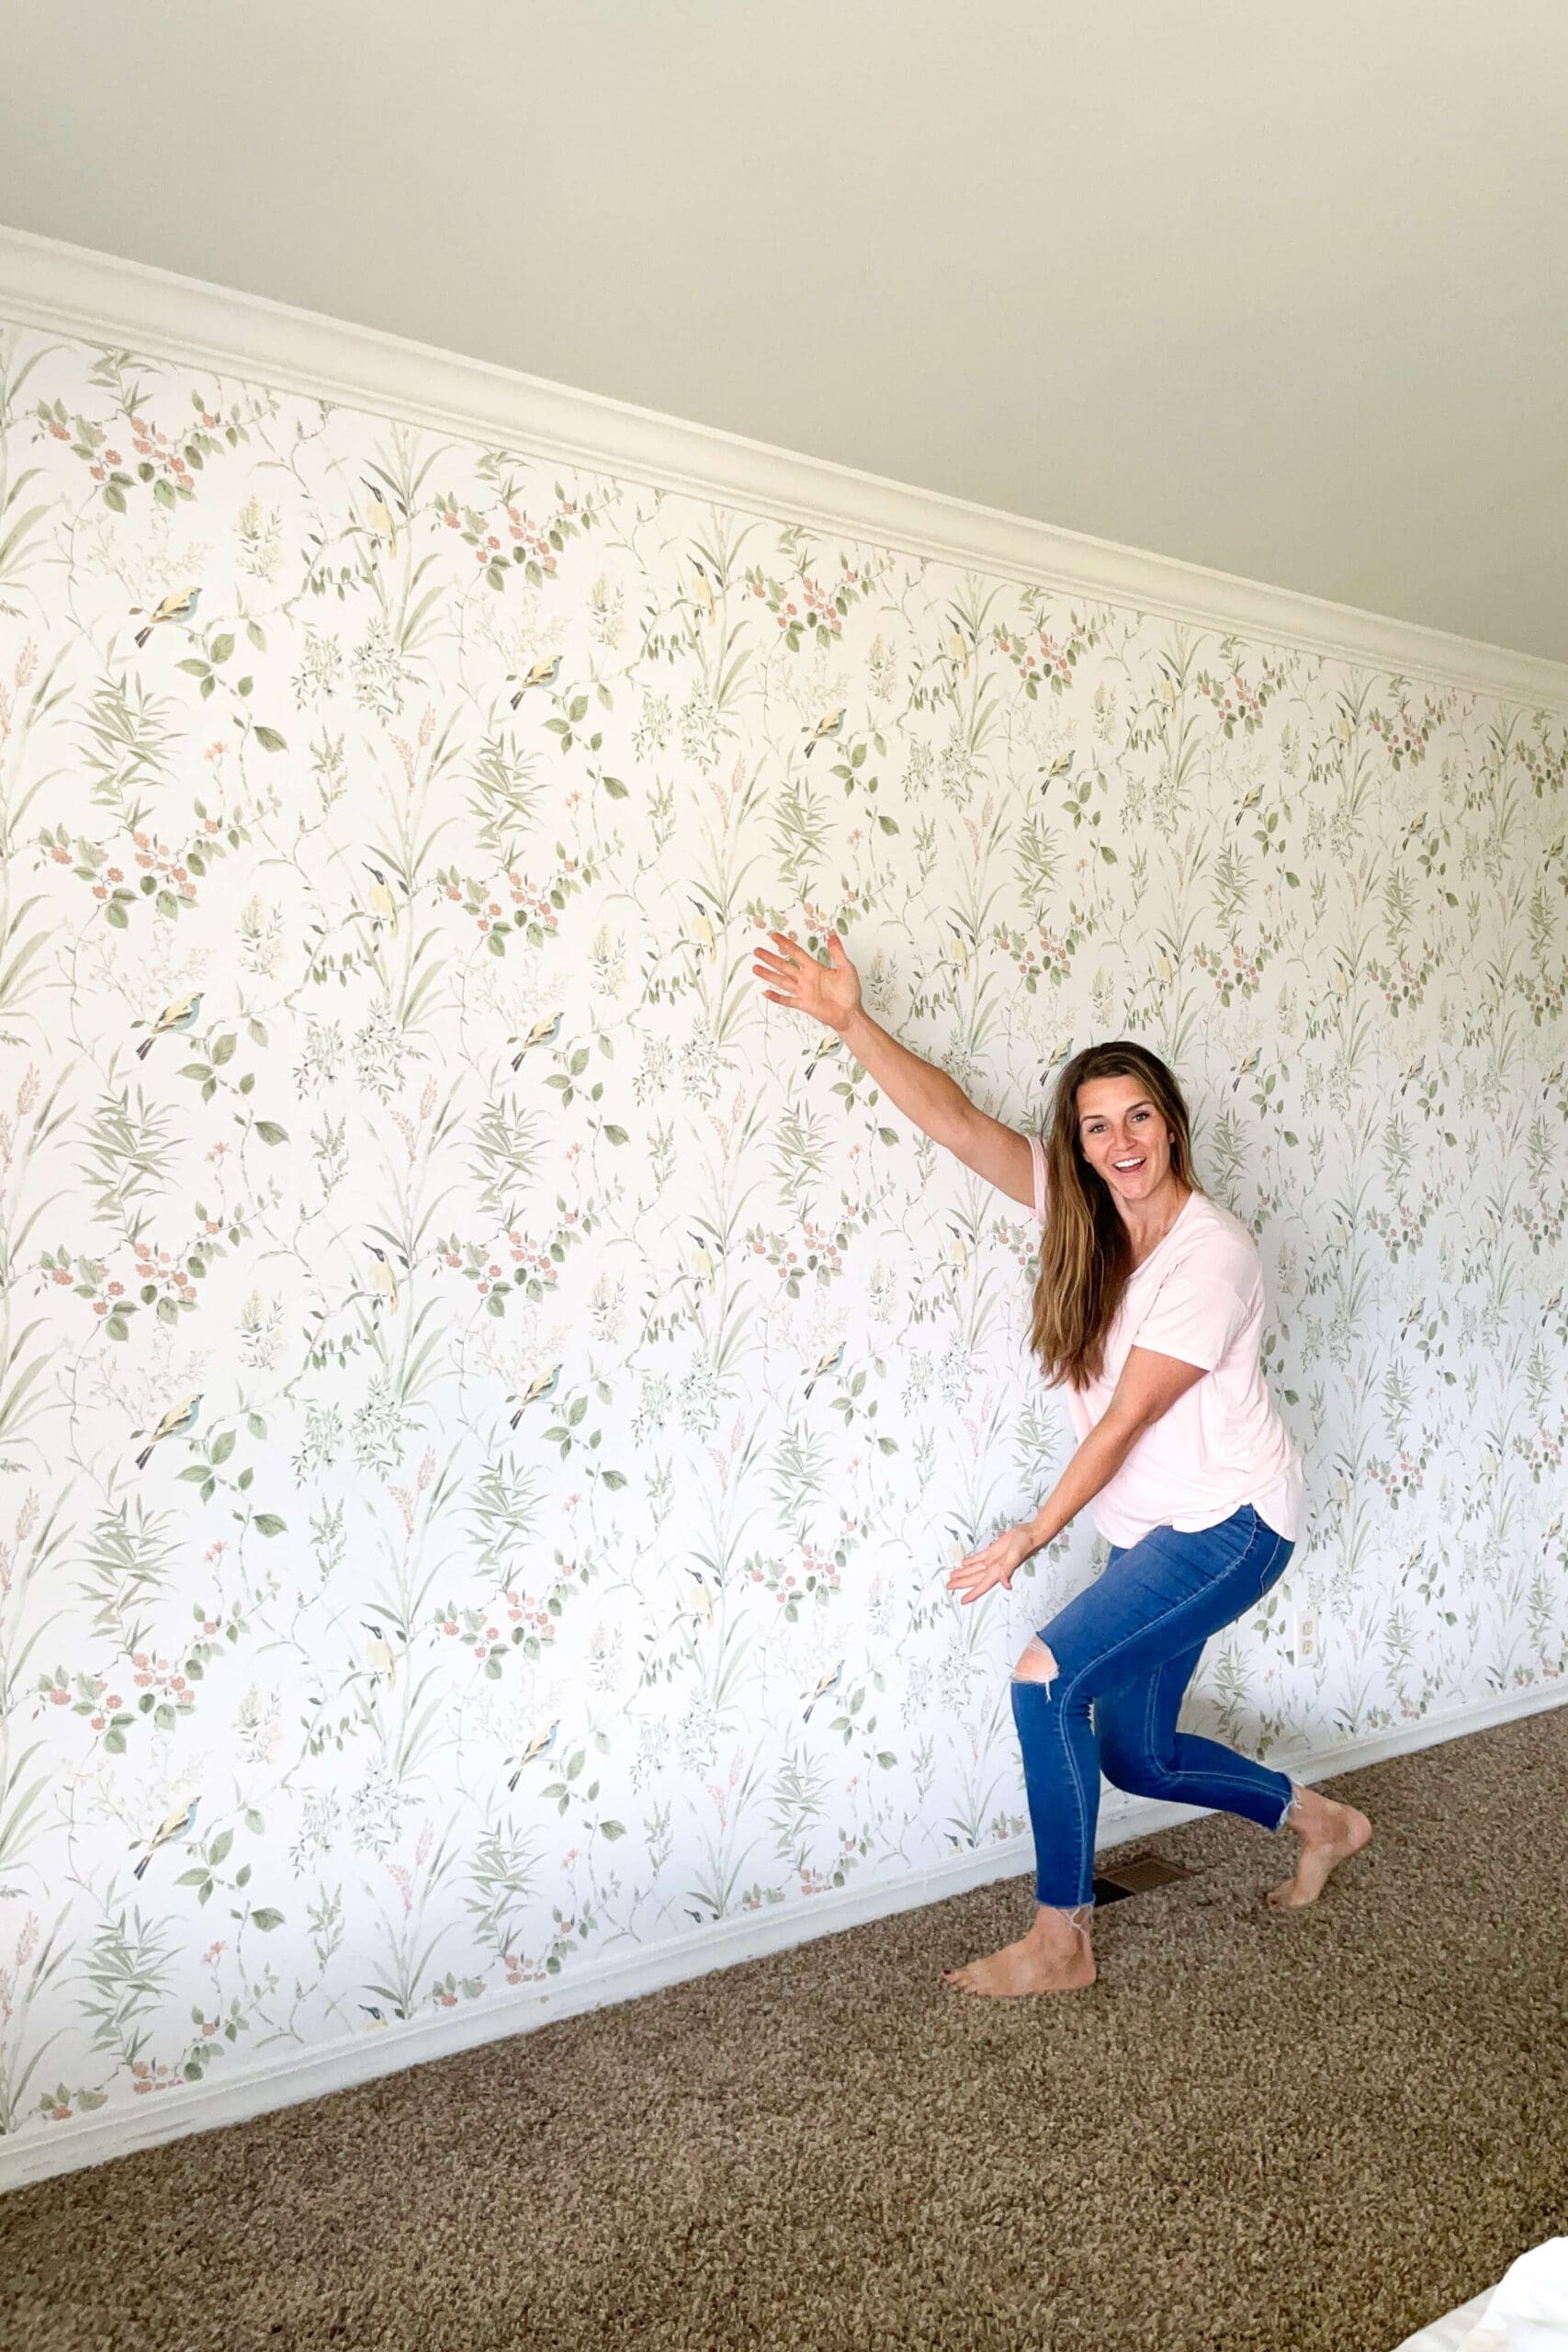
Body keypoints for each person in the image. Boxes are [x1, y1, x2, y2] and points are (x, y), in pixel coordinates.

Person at [750, 924, 1372, 1998]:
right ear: (1078, 1145)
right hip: (1155, 1528)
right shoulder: (1084, 1214)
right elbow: (957, 1125)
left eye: (1139, 1116)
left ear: (1172, 1124)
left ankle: (1061, 1939)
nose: (1121, 1141)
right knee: (1140, 1755)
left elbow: (1126, 1420)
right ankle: (1324, 1822)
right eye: (1096, 1126)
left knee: (1044, 1679)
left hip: (1231, 1525)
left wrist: (1033, 1534)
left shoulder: (1212, 1255)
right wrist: (852, 1021)